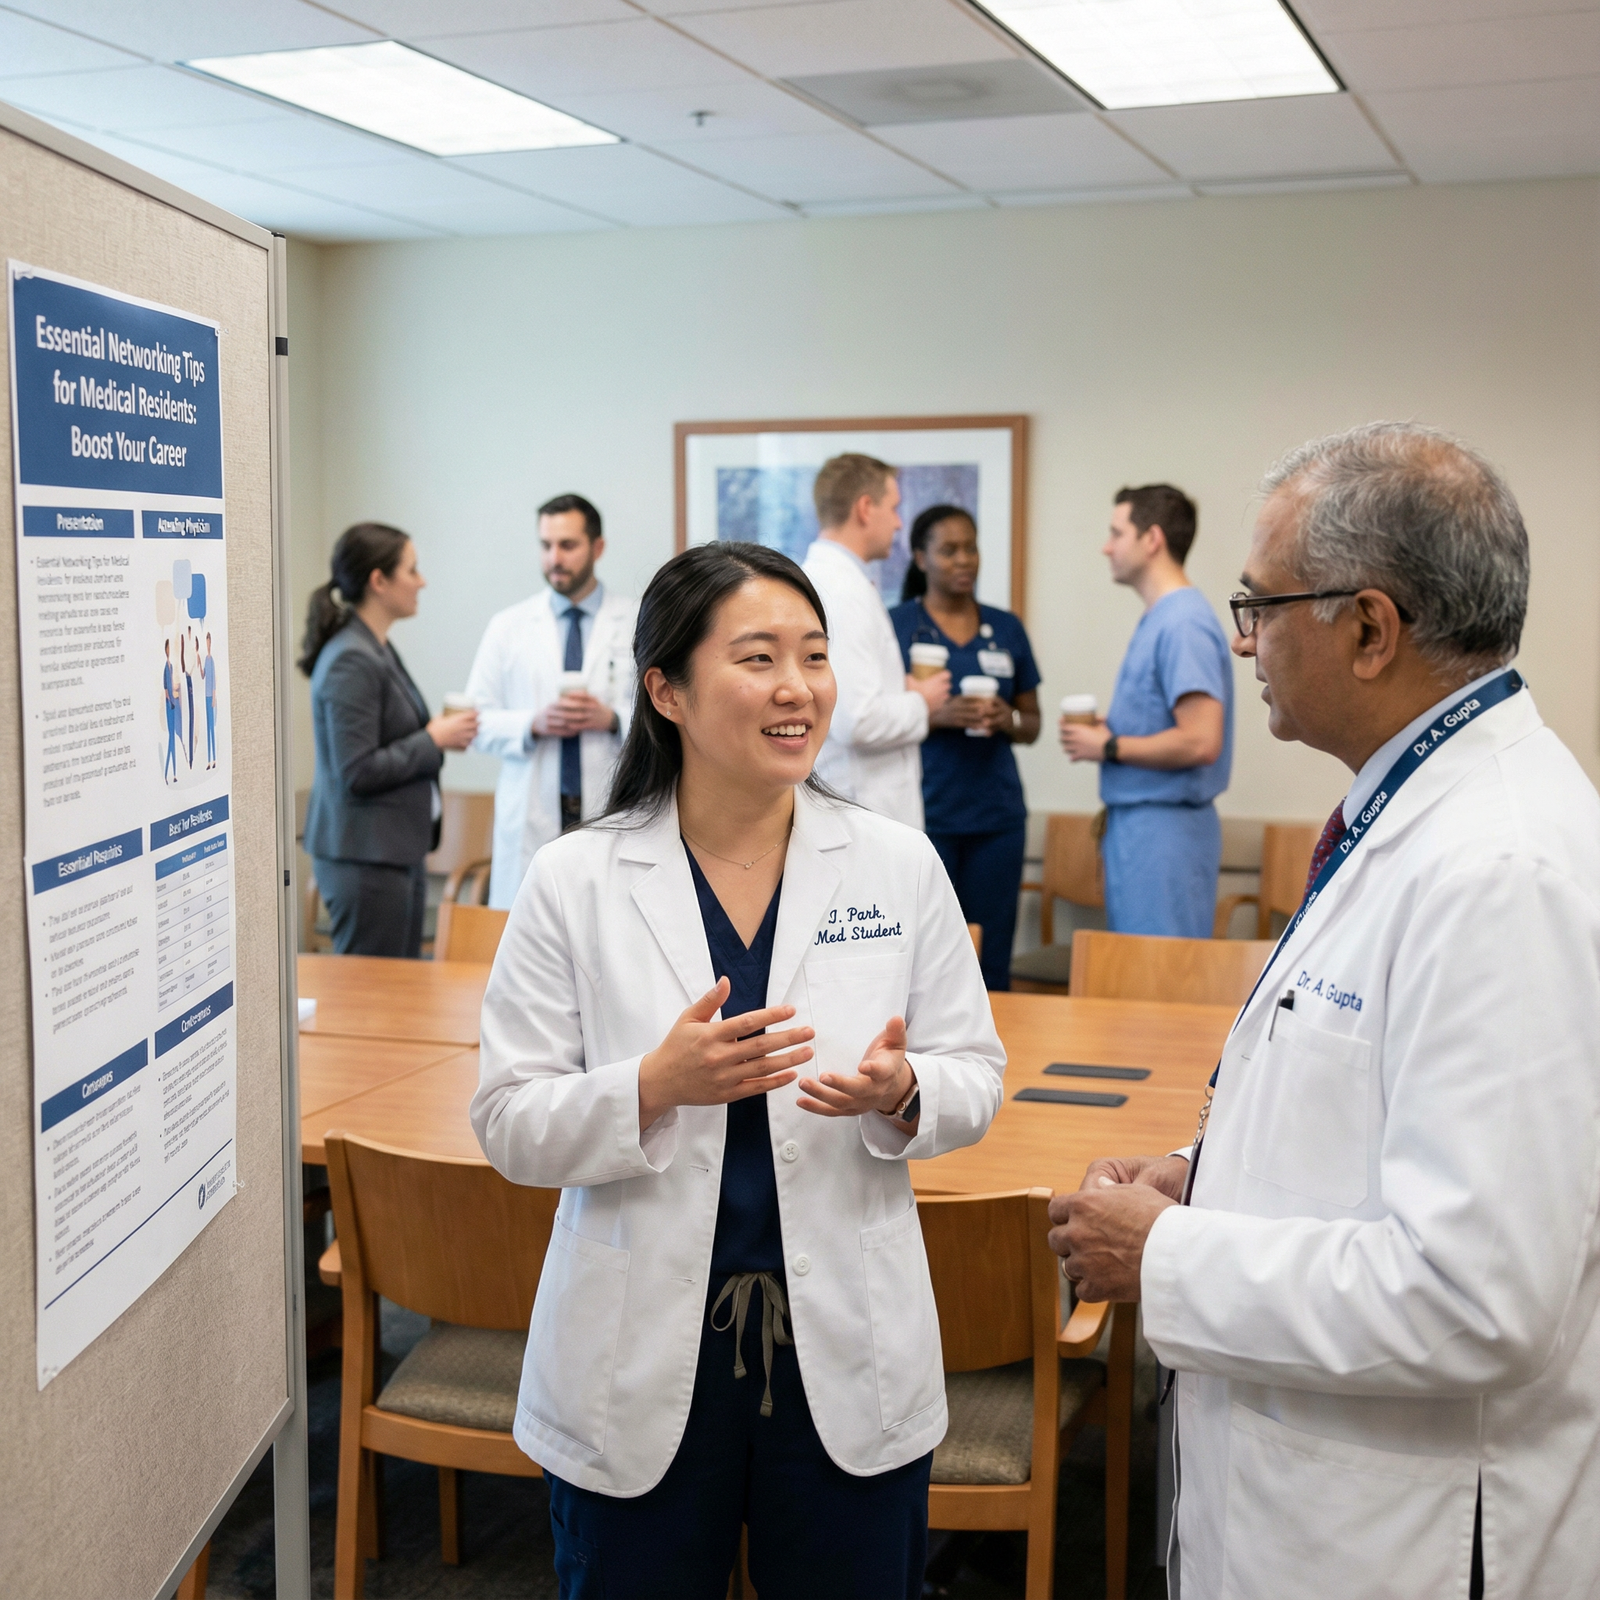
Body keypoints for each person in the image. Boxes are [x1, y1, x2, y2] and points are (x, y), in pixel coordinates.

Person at [1047, 424, 1600, 1599]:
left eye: (1260, 605)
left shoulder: (1496, 865)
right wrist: (1208, 1174)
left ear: (1366, 627)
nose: (1241, 638)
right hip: (1314, 1501)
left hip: (1394, 1534)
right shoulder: (1409, 810)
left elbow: (1478, 1297)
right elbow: (1367, 1100)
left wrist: (1174, 1253)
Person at [471, 541, 1003, 1600]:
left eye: (813, 655)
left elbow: (975, 1072)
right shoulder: (574, 878)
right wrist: (648, 1085)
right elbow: (507, 1120)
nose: (798, 687)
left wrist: (905, 1094)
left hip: (841, 1340)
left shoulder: (897, 864)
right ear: (664, 687)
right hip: (641, 1343)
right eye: (757, 658)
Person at [1059, 485, 1232, 938]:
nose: (1106, 546)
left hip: (1164, 835)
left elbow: (1200, 739)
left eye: (1116, 533)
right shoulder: (1163, 617)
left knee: (1157, 990)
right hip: (1142, 830)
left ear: (1152, 539)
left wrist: (1109, 745)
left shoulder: (1182, 622)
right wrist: (1109, 734)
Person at [301, 522, 478, 958]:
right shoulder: (351, 660)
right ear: (379, 581)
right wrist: (433, 739)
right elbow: (357, 771)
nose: (422, 582)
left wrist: (436, 736)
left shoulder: (375, 648)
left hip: (392, 852)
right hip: (365, 859)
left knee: (399, 993)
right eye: (412, 571)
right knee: (370, 1002)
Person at [889, 504, 1041, 989]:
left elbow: (1032, 723)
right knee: (926, 964)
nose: (963, 560)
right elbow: (870, 716)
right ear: (920, 558)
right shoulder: (895, 625)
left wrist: (1007, 718)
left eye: (970, 548)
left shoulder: (1006, 627)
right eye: (948, 550)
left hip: (996, 818)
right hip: (925, 816)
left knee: (992, 959)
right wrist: (932, 715)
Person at [464, 493, 637, 909]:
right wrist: (530, 724)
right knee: (534, 951)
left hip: (608, 807)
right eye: (546, 546)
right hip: (534, 814)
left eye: (568, 545)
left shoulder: (636, 620)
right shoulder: (508, 626)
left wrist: (612, 718)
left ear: (597, 547)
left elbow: (670, 713)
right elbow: (474, 720)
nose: (554, 558)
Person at [802, 454, 950, 826]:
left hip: (861, 803)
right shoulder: (841, 591)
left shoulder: (840, 582)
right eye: (895, 508)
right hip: (862, 806)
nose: (900, 523)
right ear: (866, 508)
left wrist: (902, 691)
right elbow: (857, 720)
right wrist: (922, 702)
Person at [162, 638, 178, 784]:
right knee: (170, 740)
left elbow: (172, 685)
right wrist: (171, 701)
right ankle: (167, 773)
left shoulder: (171, 666)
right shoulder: (165, 669)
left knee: (173, 739)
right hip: (169, 705)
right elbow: (166, 689)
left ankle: (174, 774)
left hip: (173, 703)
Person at [203, 631, 217, 770]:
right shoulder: (205, 659)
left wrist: (214, 697)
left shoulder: (211, 659)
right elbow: (203, 675)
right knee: (208, 728)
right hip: (205, 696)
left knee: (212, 728)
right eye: (206, 641)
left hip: (210, 697)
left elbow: (213, 679)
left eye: (208, 641)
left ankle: (214, 758)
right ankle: (208, 760)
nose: (207, 644)